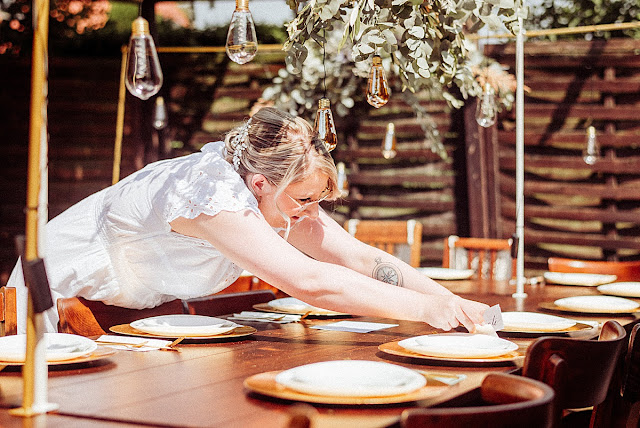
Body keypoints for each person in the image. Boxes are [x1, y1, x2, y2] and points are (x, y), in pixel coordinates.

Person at [7, 107, 489, 333]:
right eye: (302, 198)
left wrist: (451, 302)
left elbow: (356, 256)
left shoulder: (272, 195)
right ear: (260, 183)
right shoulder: (209, 194)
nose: (307, 211)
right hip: (52, 300)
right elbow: (310, 280)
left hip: (116, 310)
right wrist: (423, 311)